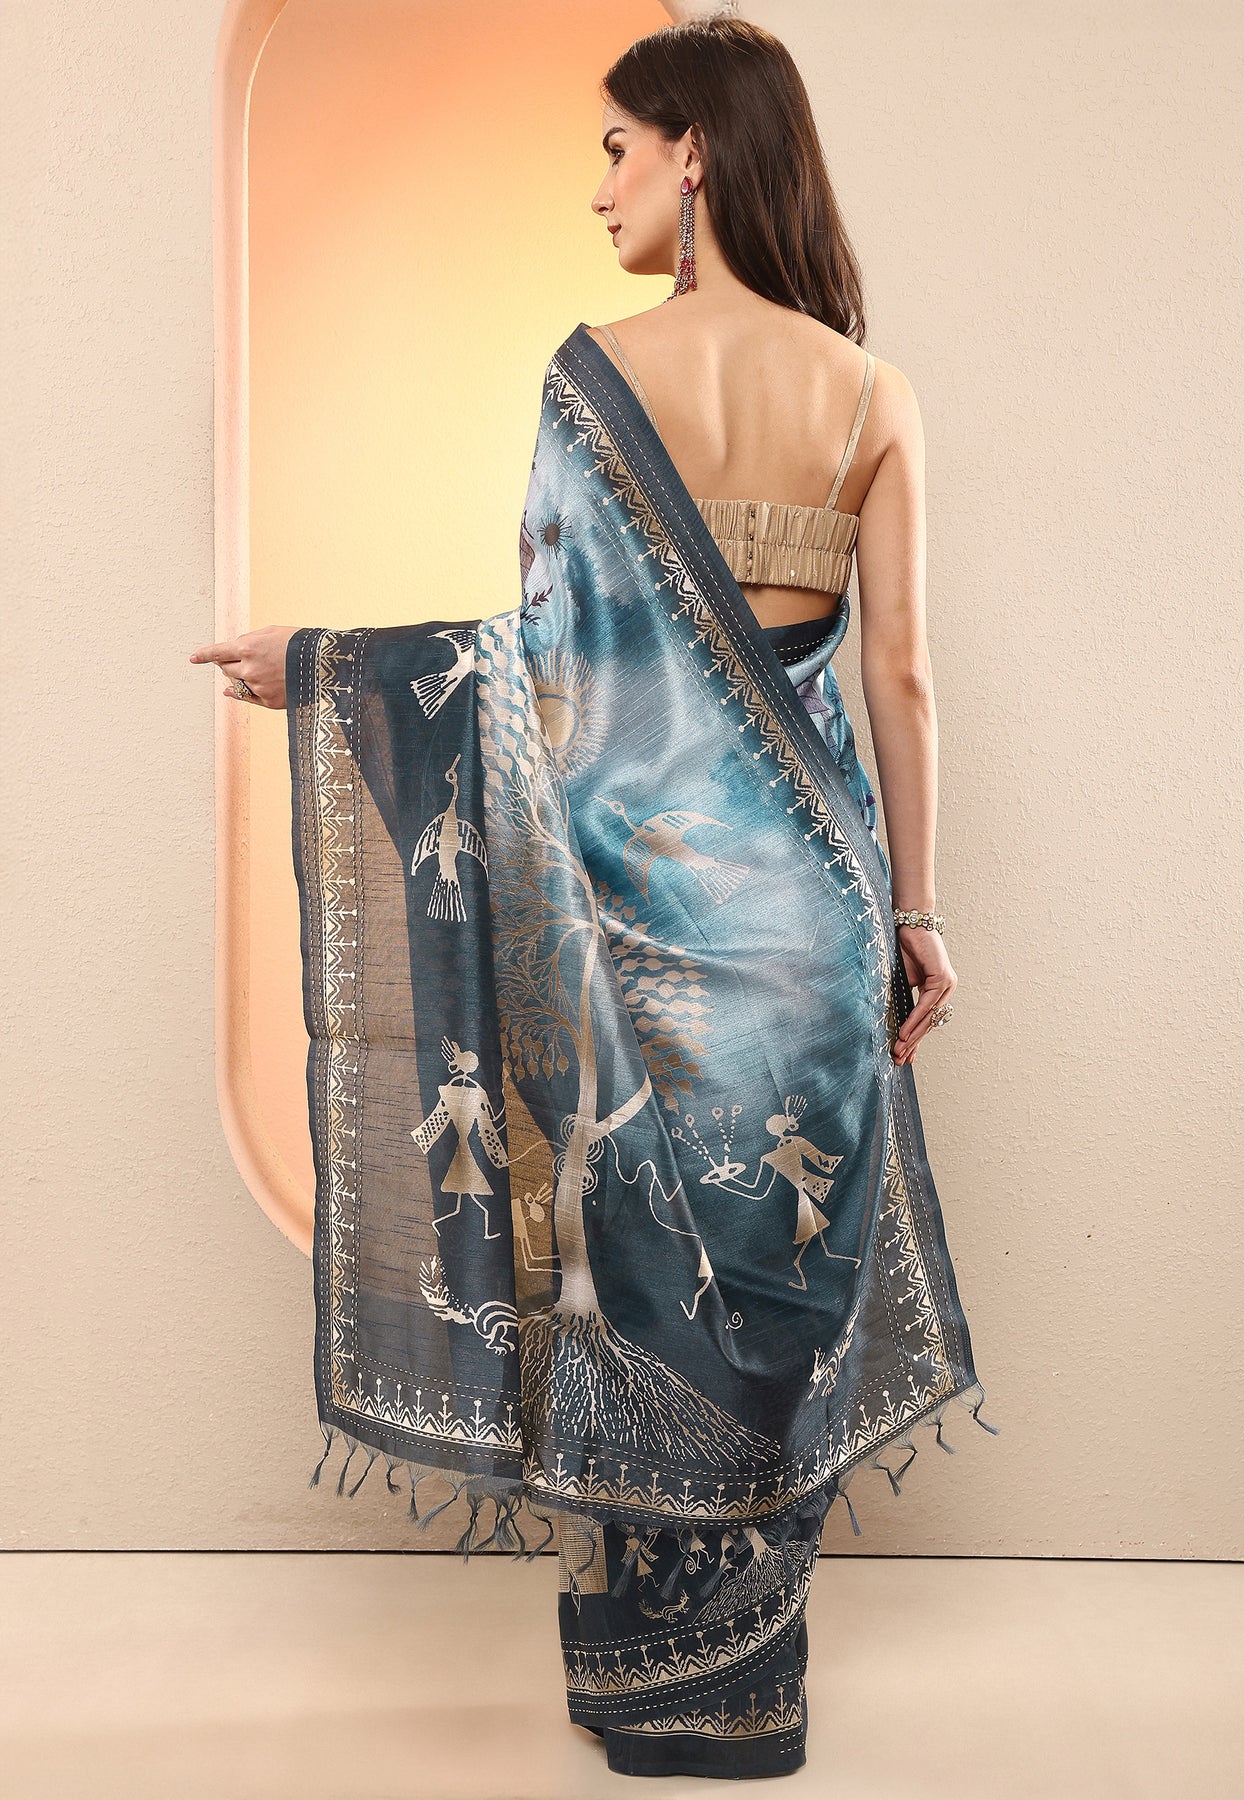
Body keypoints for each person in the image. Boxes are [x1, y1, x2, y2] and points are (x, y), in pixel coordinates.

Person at [190, 15, 996, 1782]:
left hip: (638, 932)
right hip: (816, 924)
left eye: (618, 147)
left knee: (646, 1294)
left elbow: (540, 673)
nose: (600, 185)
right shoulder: (871, 396)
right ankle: (750, 1691)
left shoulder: (591, 380)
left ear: (695, 149)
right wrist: (918, 916)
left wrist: (330, 664)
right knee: (777, 1295)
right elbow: (902, 681)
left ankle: (655, 1693)